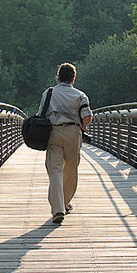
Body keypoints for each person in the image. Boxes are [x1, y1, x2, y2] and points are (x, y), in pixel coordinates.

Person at [38, 63, 93, 223]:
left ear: (58, 76)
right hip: (72, 133)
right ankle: (65, 202)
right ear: (73, 78)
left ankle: (58, 209)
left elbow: (41, 114)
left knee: (55, 170)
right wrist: (84, 127)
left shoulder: (48, 93)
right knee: (70, 168)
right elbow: (87, 116)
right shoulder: (80, 95)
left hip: (53, 132)